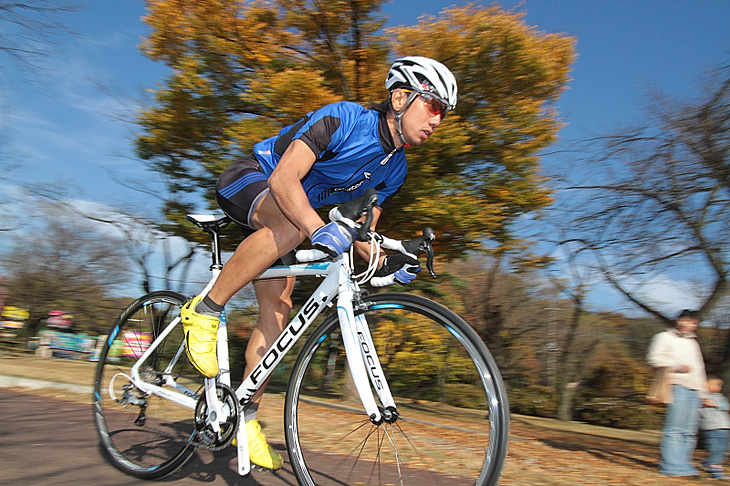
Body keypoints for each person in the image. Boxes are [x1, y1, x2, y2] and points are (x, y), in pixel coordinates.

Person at [180, 56, 458, 470]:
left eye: (444, 113)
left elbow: (362, 234)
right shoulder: (343, 119)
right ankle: (203, 310)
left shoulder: (395, 169)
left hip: (289, 218)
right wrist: (316, 228)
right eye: (433, 106)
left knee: (277, 313)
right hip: (252, 179)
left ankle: (246, 417)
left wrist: (389, 256)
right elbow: (283, 181)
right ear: (400, 98)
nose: (438, 119)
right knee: (293, 228)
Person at [647, 309, 710, 477]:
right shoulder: (664, 337)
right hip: (677, 385)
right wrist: (678, 366)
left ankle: (685, 465)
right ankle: (672, 466)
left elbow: (700, 368)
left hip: (695, 390)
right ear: (678, 320)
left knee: (689, 432)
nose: (688, 325)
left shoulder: (693, 342)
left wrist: (704, 393)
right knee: (675, 428)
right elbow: (654, 358)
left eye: (693, 323)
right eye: (686, 320)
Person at [701, 375, 730, 479]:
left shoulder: (720, 396)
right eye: (715, 384)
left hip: (724, 426)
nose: (718, 387)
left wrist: (715, 404)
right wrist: (704, 402)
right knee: (717, 448)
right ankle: (716, 470)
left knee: (725, 448)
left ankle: (708, 462)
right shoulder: (701, 396)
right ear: (705, 384)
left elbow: (726, 406)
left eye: (720, 385)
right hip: (711, 427)